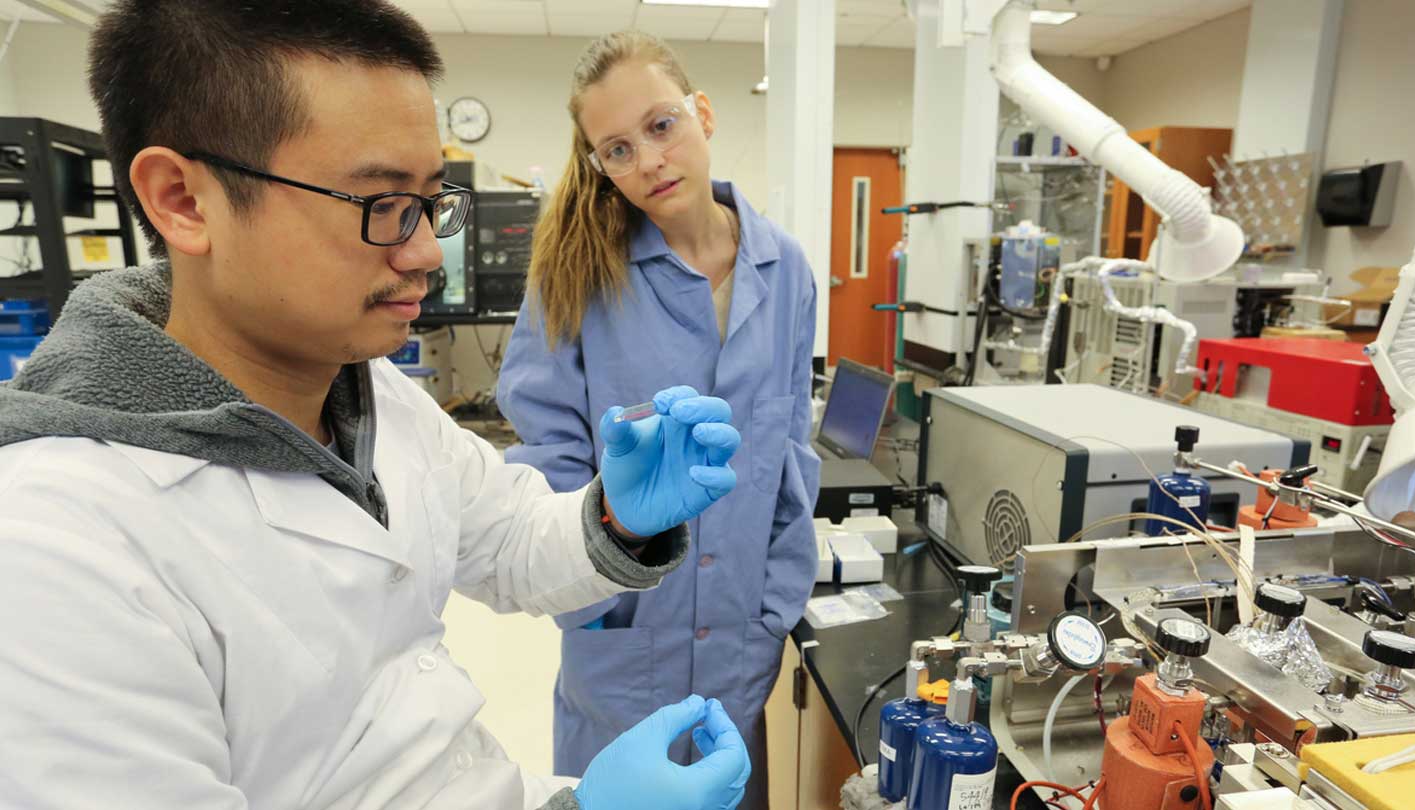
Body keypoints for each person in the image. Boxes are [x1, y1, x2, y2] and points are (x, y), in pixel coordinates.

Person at [0, 3, 752, 809]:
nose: (428, 250)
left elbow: (504, 542)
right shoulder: (55, 548)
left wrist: (618, 521)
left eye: (432, 200)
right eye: (380, 204)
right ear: (184, 200)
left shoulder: (371, 391)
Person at [497, 31, 821, 808]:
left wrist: (776, 606)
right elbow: (544, 461)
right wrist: (596, 603)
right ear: (599, 165)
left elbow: (790, 455)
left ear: (702, 113)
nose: (647, 160)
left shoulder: (786, 271)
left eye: (661, 125)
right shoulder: (576, 276)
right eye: (615, 148)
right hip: (621, 644)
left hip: (743, 644)